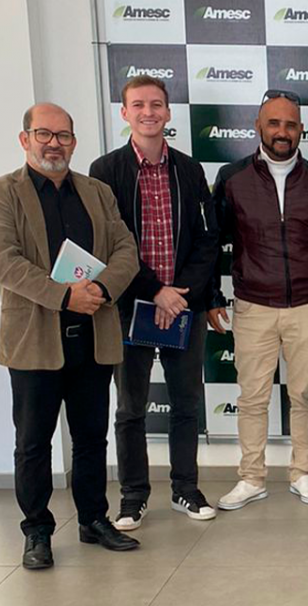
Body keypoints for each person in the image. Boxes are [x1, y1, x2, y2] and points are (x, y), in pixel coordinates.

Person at [0, 103, 142, 569]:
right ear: (25, 139)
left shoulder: (97, 192)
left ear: (73, 141)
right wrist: (64, 296)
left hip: (92, 334)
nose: (54, 144)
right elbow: (3, 262)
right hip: (34, 339)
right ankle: (37, 531)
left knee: (91, 438)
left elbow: (126, 248)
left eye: (63, 135)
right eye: (44, 134)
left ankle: (93, 519)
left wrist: (102, 289)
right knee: (33, 443)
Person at [89, 75, 221, 529]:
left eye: (157, 104)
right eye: (139, 104)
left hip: (183, 306)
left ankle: (186, 488)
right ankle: (133, 496)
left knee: (187, 404)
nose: (149, 112)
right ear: (124, 113)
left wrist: (178, 293)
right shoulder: (105, 171)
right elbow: (108, 244)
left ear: (168, 113)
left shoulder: (189, 169)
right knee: (130, 409)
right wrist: (153, 291)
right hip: (130, 305)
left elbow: (208, 238)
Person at [208, 90, 308, 511]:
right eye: (274, 123)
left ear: (301, 130)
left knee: (303, 394)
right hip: (253, 305)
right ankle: (251, 478)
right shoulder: (232, 178)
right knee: (252, 398)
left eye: (290, 125)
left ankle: (302, 472)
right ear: (258, 127)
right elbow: (212, 243)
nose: (282, 132)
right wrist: (212, 295)